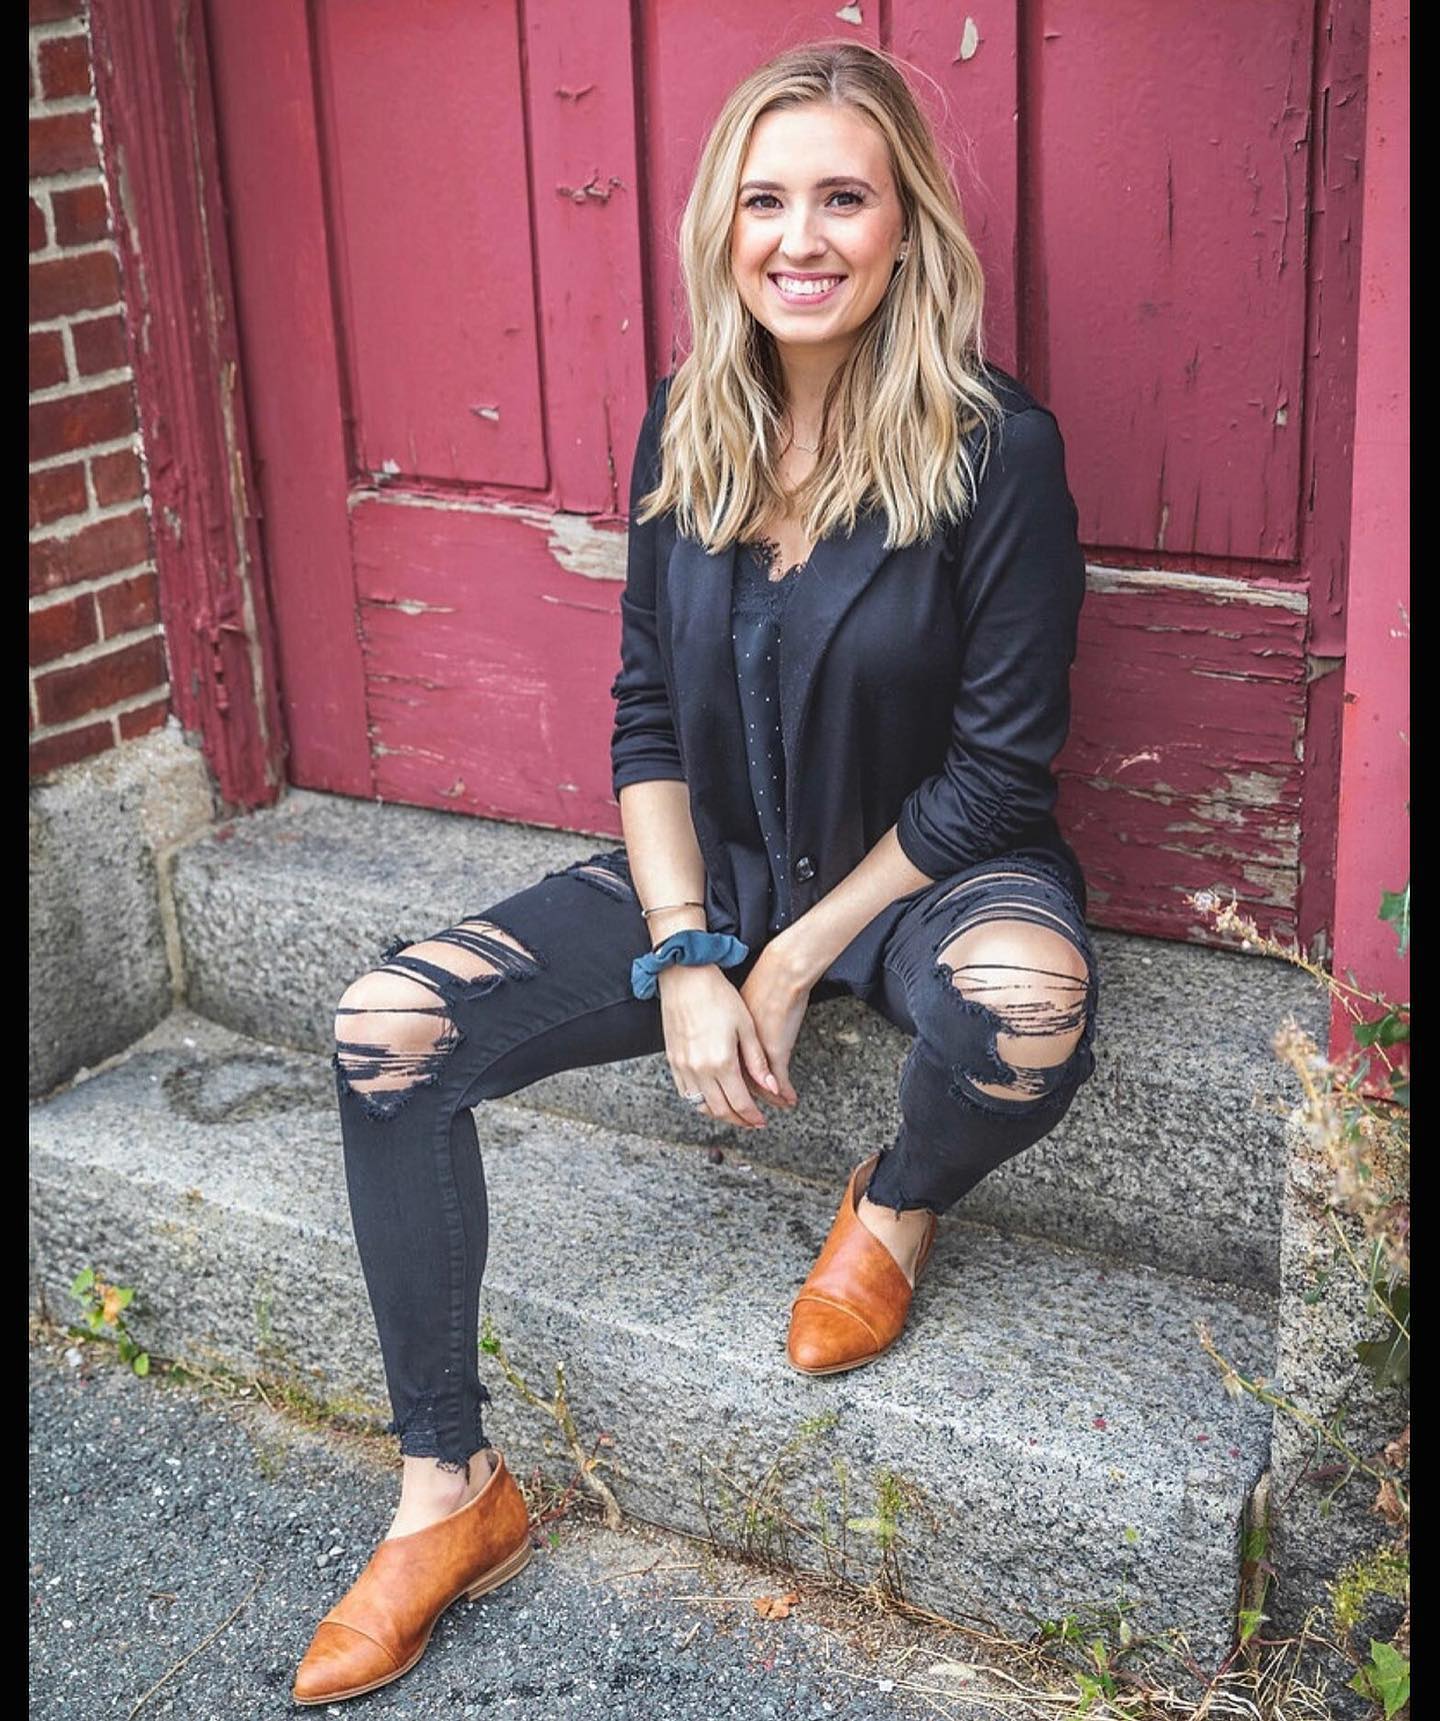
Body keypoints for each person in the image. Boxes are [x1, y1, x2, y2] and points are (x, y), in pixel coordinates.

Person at [292, 37, 1101, 1707]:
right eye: (766, 201)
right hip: (721, 861)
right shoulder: (693, 418)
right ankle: (449, 1491)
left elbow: (997, 772)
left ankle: (894, 1202)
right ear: (721, 229)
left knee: (1027, 1009)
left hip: (925, 871)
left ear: (906, 226)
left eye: (843, 199)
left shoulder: (996, 448)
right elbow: (647, 715)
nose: (801, 239)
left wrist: (786, 961)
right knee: (386, 1029)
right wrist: (684, 946)